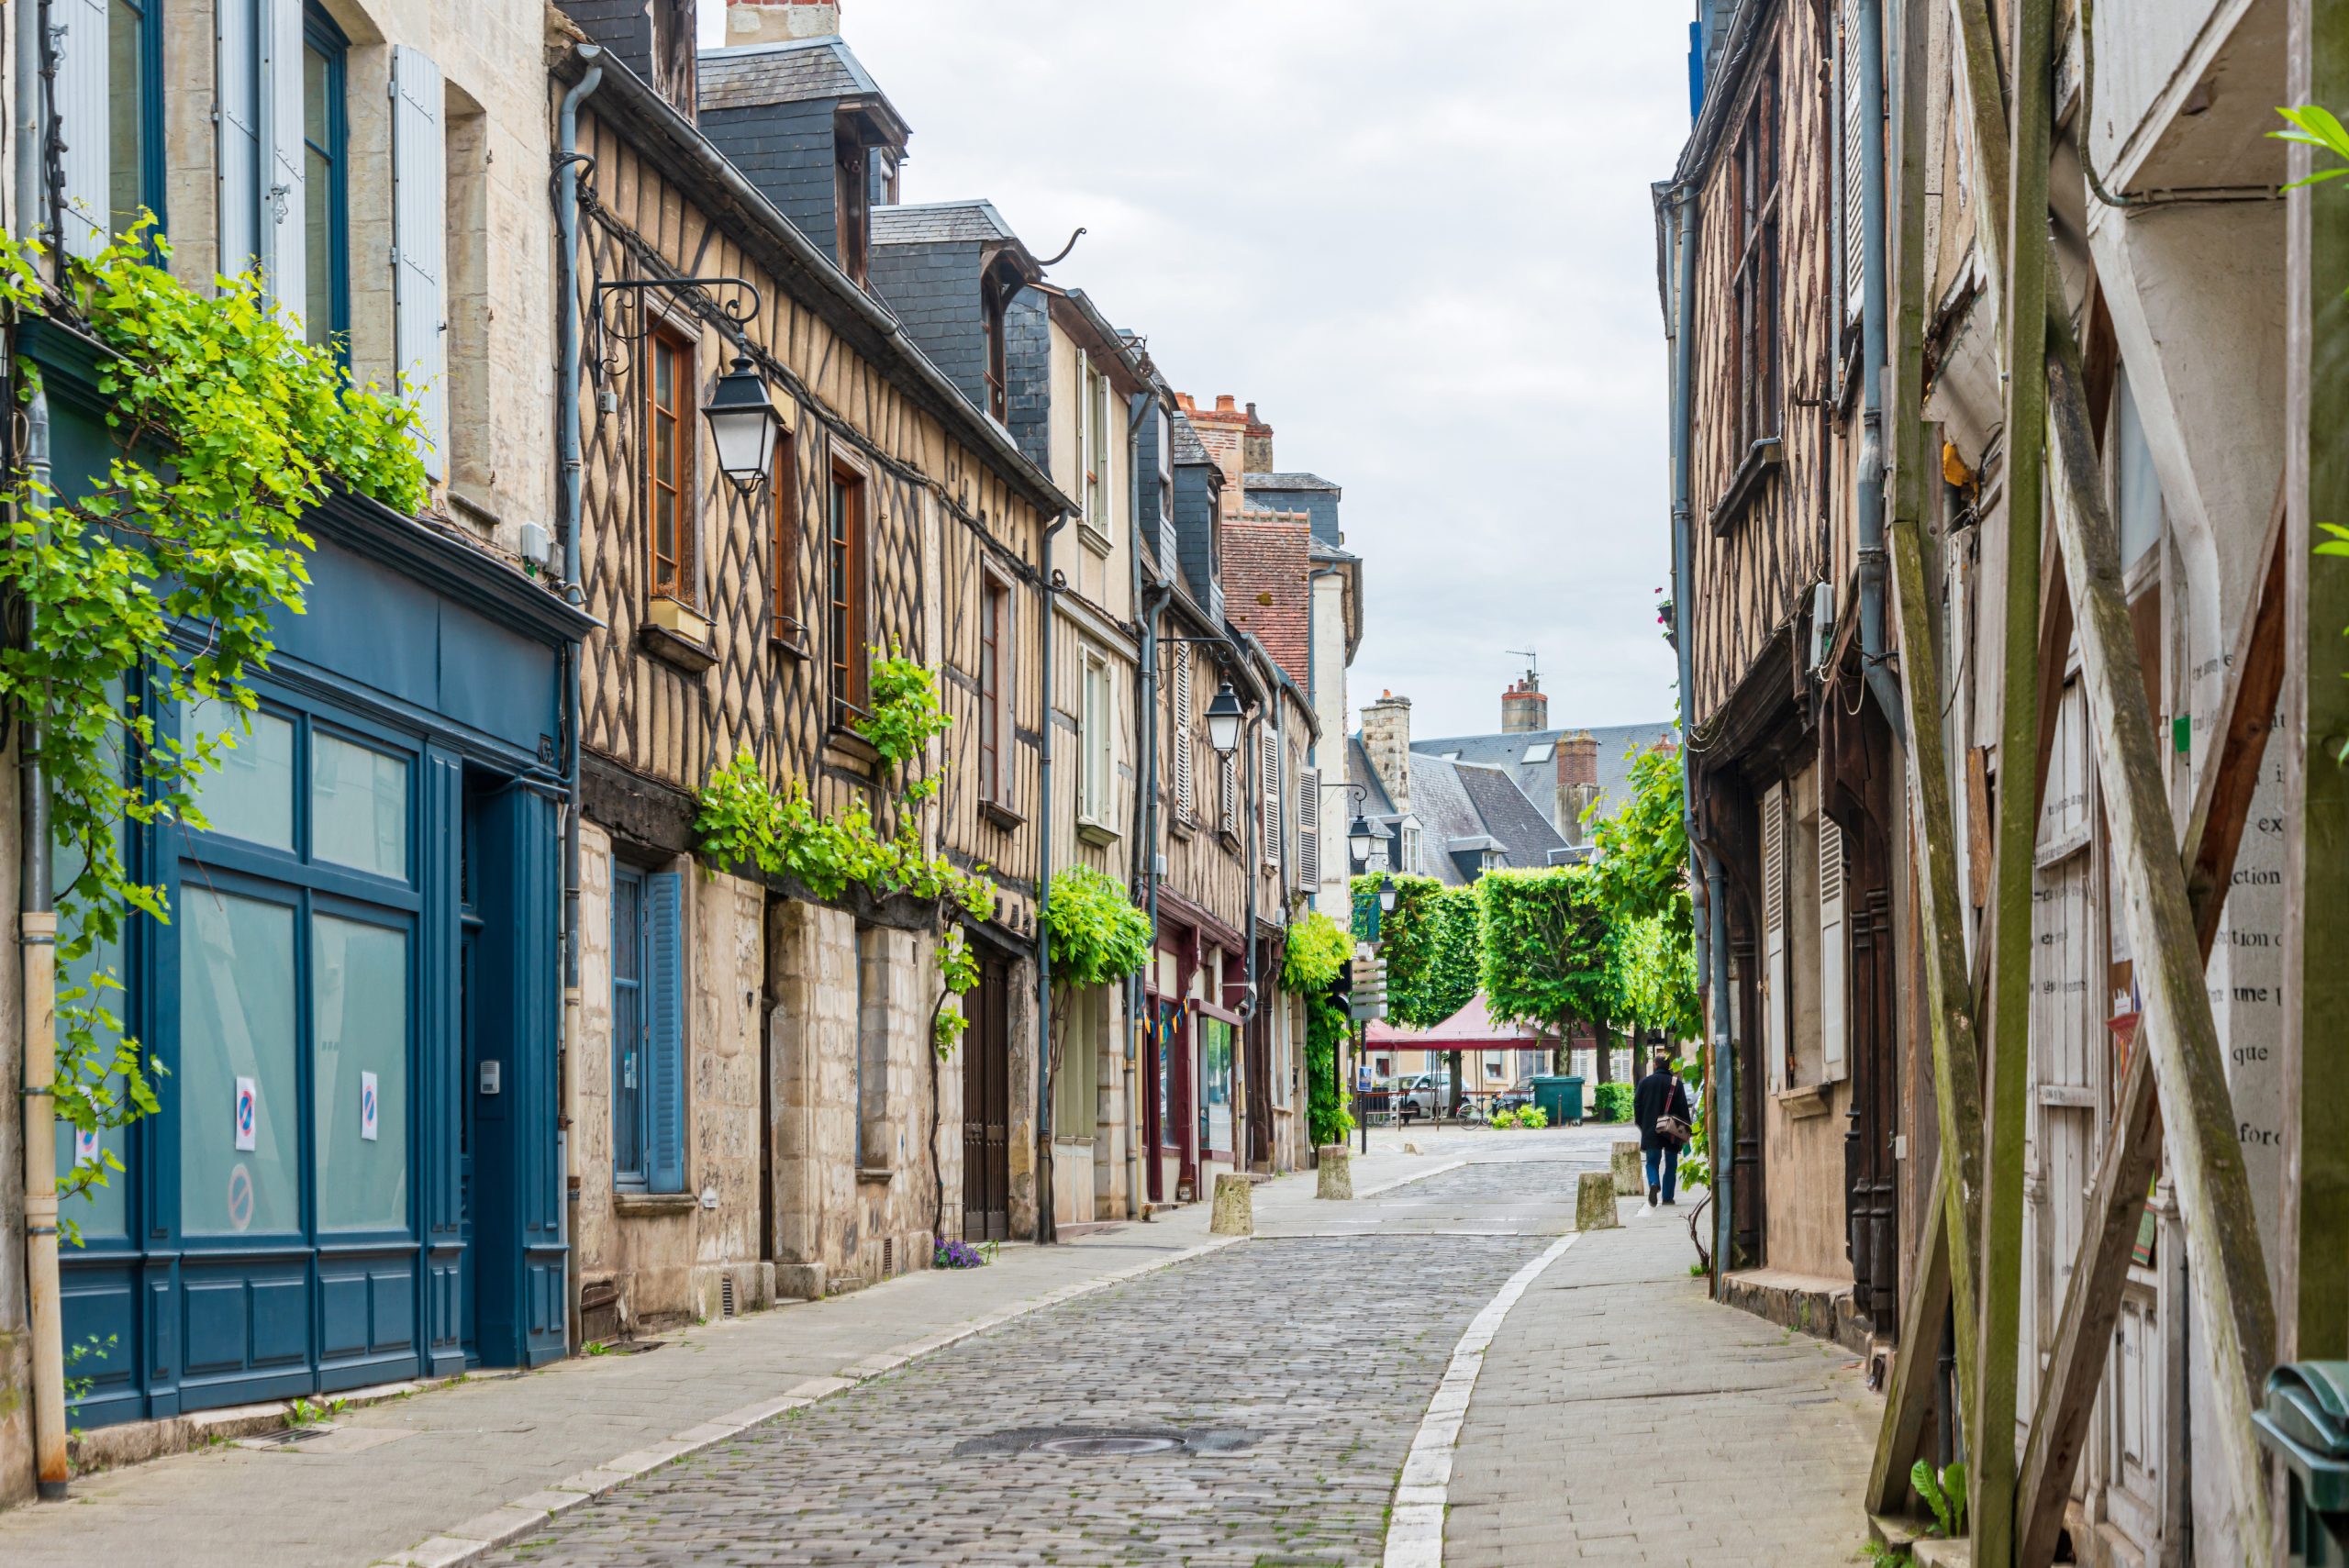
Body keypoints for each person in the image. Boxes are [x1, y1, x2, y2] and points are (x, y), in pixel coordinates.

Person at [1632, 1050, 1693, 1206]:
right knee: (1671, 1163)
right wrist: (1685, 1131)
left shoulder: (1644, 1083)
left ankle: (1654, 1183)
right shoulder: (1676, 1084)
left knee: (1652, 1162)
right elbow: (1684, 1110)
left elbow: (1637, 1106)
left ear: (1655, 1065)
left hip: (1651, 1129)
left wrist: (1643, 1124)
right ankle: (1667, 1197)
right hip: (1672, 1131)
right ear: (1669, 1066)